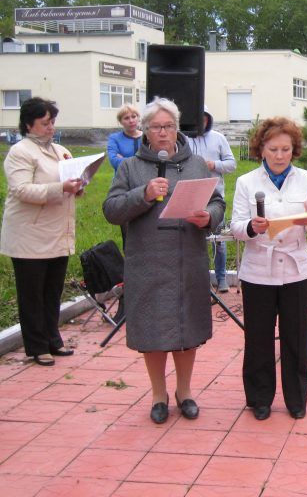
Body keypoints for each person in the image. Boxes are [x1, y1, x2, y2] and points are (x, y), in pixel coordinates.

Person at [103, 97, 224, 424]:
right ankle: (159, 395)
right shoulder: (130, 167)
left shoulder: (197, 163)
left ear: (176, 128)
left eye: (168, 126)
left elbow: (217, 203)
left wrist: (208, 217)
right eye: (156, 127)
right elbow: (111, 210)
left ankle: (184, 392)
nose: (162, 133)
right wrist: (142, 194)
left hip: (188, 261)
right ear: (144, 130)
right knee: (153, 332)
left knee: (187, 330)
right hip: (148, 262)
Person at [230, 116, 307, 421]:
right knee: (258, 337)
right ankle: (259, 398)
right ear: (261, 150)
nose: (280, 156)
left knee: (295, 336)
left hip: (296, 270)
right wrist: (252, 228)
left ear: (294, 149)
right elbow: (236, 227)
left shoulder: (305, 178)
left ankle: (296, 399)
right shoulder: (247, 183)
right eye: (273, 150)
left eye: (285, 149)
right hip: (259, 271)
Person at [0, 97, 84, 366]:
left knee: (52, 291)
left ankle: (53, 339)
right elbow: (21, 190)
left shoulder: (60, 150)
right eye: (45, 123)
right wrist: (62, 188)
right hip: (30, 235)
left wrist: (77, 186)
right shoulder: (20, 152)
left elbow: (67, 183)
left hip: (57, 232)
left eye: (52, 122)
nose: (51, 127)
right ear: (28, 124)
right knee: (32, 293)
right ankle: (36, 346)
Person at [188, 106, 236, 293]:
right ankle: (201, 280)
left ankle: (221, 278)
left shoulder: (218, 138)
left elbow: (232, 164)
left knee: (219, 241)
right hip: (190, 198)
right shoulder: (182, 139)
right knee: (196, 243)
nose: (201, 122)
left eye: (205, 119)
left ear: (209, 119)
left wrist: (213, 164)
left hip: (216, 199)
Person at [107, 104, 142, 170]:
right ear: (120, 122)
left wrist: (123, 159)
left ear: (138, 118)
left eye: (134, 116)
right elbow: (114, 162)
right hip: (122, 179)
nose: (131, 121)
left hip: (144, 179)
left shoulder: (147, 137)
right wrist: (141, 162)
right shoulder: (114, 139)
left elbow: (152, 161)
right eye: (126, 118)